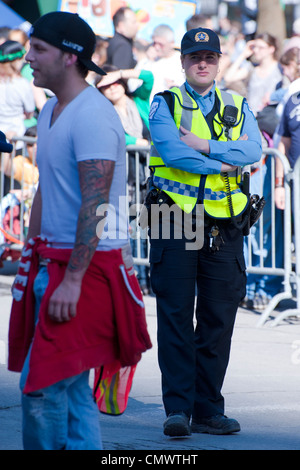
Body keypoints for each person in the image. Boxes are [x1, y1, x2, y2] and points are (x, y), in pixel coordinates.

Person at [8, 11, 151, 450]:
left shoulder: (92, 114)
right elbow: (49, 193)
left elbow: (95, 203)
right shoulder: (51, 108)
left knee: (42, 387)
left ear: (70, 57)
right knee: (69, 390)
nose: (28, 57)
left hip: (83, 269)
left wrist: (71, 280)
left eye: (39, 49)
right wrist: (30, 254)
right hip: (51, 262)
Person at [148, 27, 262, 437]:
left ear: (218, 62)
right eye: (195, 56)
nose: (202, 62)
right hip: (173, 217)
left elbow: (255, 150)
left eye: (209, 57)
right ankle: (178, 409)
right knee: (175, 314)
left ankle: (208, 409)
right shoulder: (165, 103)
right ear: (182, 61)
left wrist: (206, 145)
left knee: (218, 317)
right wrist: (227, 165)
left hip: (225, 223)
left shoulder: (237, 102)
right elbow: (170, 150)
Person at [97, 66, 154, 294]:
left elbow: (148, 77)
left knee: (150, 226)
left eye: (115, 83)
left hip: (149, 173)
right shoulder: (103, 113)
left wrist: (119, 73)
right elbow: (115, 135)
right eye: (105, 86)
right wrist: (134, 141)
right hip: (125, 176)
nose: (112, 88)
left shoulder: (139, 102)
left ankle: (149, 276)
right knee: (131, 227)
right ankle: (136, 278)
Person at [224, 32, 282, 116]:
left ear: (271, 49)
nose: (256, 50)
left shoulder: (280, 69)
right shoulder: (252, 68)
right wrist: (243, 55)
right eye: (255, 47)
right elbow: (228, 78)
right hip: (251, 117)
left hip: (270, 119)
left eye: (261, 47)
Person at [149, 24, 185, 100]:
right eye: (154, 43)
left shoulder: (182, 61)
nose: (157, 47)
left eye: (161, 44)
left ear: (172, 43)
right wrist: (148, 61)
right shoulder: (148, 61)